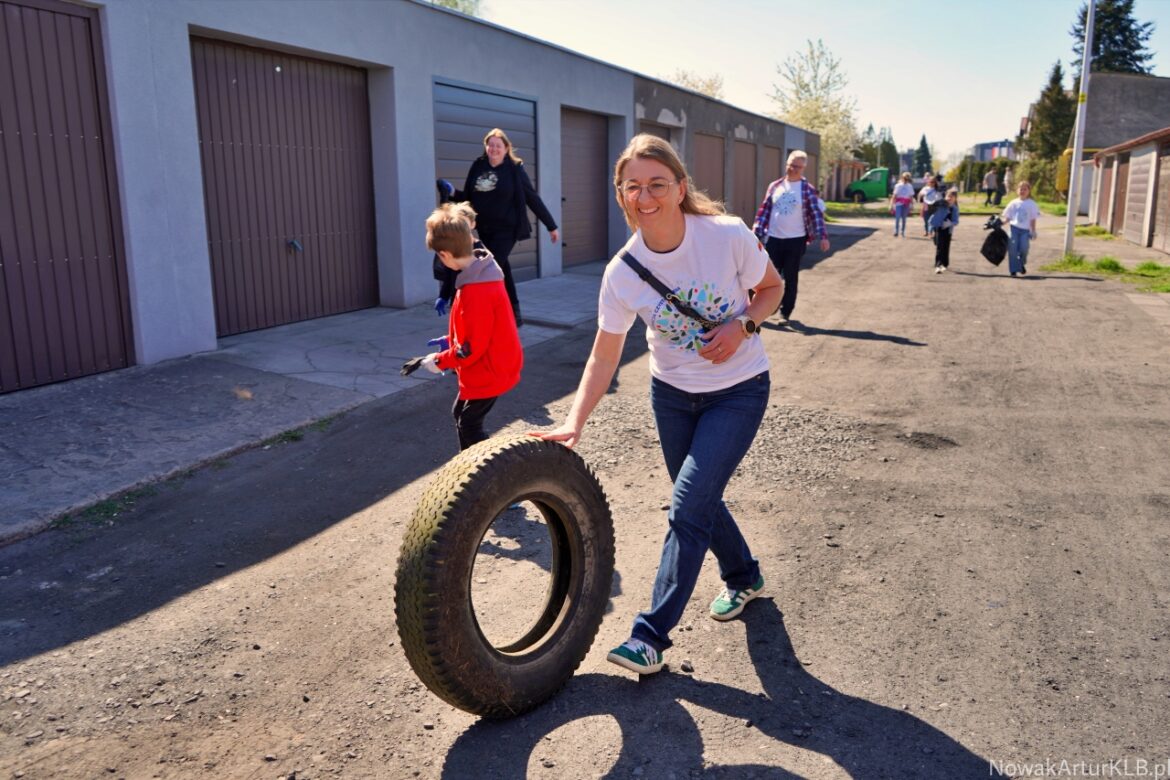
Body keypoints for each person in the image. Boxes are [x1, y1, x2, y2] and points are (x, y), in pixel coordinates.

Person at [536, 134, 783, 675]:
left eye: (657, 184)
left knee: (687, 505)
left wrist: (742, 326)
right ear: (621, 195)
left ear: (679, 188)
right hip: (671, 396)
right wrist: (574, 422)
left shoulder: (725, 235)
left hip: (739, 390)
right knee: (699, 500)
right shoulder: (622, 272)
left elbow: (772, 288)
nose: (645, 196)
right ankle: (745, 578)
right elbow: (603, 357)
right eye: (633, 187)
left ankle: (649, 636)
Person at [405, 203, 523, 451]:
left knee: (469, 423)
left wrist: (438, 361)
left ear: (444, 255)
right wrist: (451, 339)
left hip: (491, 369)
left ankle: (487, 472)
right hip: (492, 363)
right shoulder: (478, 272)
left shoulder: (475, 289)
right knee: (461, 413)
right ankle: (471, 469)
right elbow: (479, 329)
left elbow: (470, 349)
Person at [455, 129, 559, 327]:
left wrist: (551, 225)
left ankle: (484, 312)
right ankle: (514, 312)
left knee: (487, 267)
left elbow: (531, 197)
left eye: (498, 145)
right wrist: (451, 193)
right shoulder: (478, 166)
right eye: (490, 144)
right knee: (502, 268)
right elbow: (467, 197)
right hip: (485, 228)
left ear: (506, 148)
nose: (494, 149)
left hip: (507, 230)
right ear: (486, 147)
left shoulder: (514, 169)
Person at [751, 150, 829, 325]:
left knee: (791, 278)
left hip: (796, 240)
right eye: (790, 165)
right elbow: (764, 211)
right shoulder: (775, 186)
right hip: (773, 239)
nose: (793, 169)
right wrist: (755, 234)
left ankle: (785, 313)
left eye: (797, 166)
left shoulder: (808, 190)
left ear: (803, 168)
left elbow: (816, 214)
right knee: (767, 277)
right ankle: (767, 308)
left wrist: (823, 236)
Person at [1000, 180, 1040, 277]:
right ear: (1017, 191)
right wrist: (1000, 223)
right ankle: (1013, 270)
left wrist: (1033, 231)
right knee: (1012, 249)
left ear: (1028, 191)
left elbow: (1033, 219)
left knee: (1024, 249)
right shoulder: (1013, 203)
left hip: (1025, 231)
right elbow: (1008, 217)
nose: (1022, 191)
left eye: (1025, 189)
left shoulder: (1032, 204)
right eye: (1021, 189)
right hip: (1014, 228)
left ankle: (1020, 264)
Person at [929, 188, 960, 273]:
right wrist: (931, 228)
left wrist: (949, 223)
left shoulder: (954, 209)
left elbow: (956, 221)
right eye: (948, 196)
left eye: (952, 197)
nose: (949, 198)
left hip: (948, 231)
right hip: (939, 228)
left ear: (955, 199)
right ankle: (938, 265)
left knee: (946, 247)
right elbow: (933, 215)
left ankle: (945, 264)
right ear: (945, 197)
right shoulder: (941, 205)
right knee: (939, 247)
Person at [888, 172, 915, 238]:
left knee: (904, 219)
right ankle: (896, 231)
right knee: (897, 218)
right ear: (902, 178)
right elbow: (894, 195)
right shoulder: (898, 185)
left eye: (907, 178)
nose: (905, 180)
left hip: (906, 204)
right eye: (904, 178)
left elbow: (911, 196)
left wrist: (912, 204)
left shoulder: (910, 186)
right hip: (898, 203)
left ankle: (902, 231)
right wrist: (891, 204)